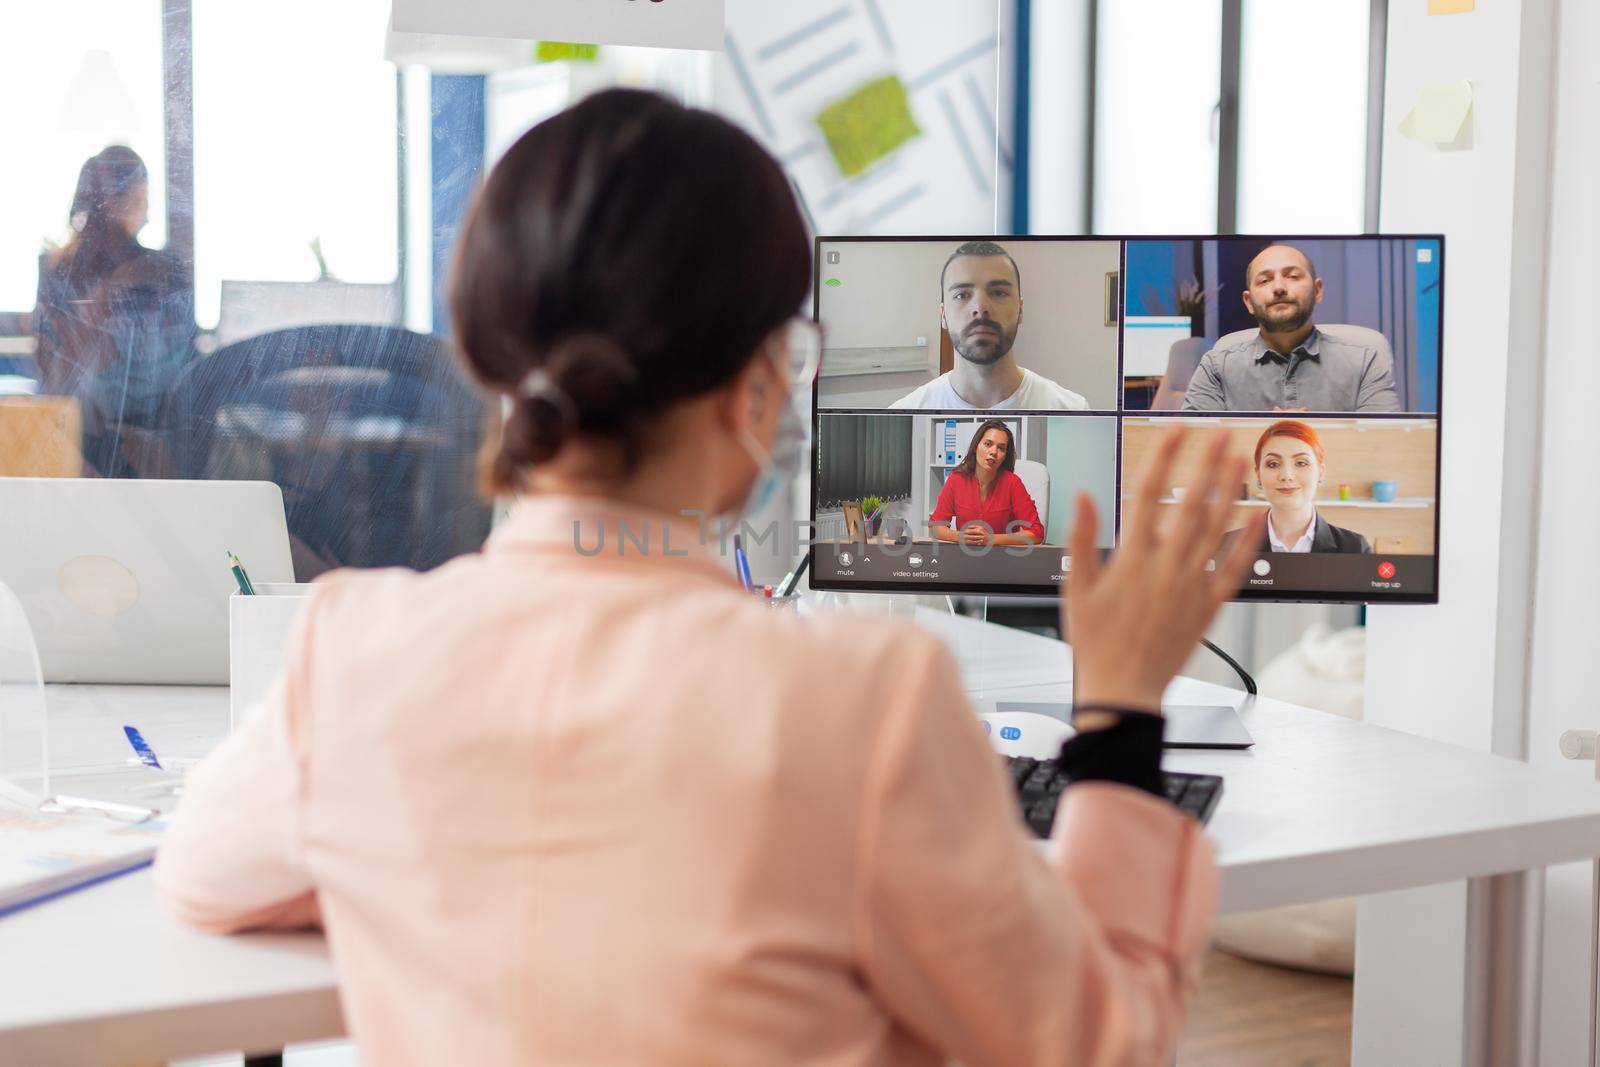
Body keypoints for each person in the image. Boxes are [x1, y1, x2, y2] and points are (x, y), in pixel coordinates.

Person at [154, 89, 1263, 1067]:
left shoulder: (351, 655)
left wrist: (422, 855)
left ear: (493, 363)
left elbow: (203, 877)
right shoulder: (867, 702)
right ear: (759, 387)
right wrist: (1117, 714)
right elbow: (1094, 1039)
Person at [32, 145, 195, 476]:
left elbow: (53, 374)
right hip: (116, 440)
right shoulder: (161, 270)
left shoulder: (56, 269)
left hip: (84, 441)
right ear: (138, 194)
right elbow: (180, 376)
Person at [1182, 243, 1400, 413]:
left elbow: (1386, 446)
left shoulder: (1365, 361)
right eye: (1265, 280)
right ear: (1248, 302)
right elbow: (1191, 447)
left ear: (1317, 290)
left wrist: (1304, 436)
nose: (1278, 288)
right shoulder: (1216, 366)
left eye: (1292, 276)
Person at [891, 240, 1090, 410]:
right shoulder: (904, 412)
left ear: (1021, 309)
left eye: (998, 293)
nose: (980, 307)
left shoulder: (1072, 409)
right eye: (962, 295)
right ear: (943, 315)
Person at [1219, 420, 1372, 555]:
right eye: (1273, 464)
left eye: (1301, 463)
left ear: (1321, 472)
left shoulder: (1354, 548)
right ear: (1258, 474)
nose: (1287, 475)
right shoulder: (1227, 546)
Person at [928, 419, 1044, 546]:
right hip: (966, 556)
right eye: (988, 444)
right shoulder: (956, 479)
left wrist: (991, 539)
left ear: (1005, 455)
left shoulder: (1012, 483)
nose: (993, 452)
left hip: (1003, 558)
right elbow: (935, 527)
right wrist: (960, 536)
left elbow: (1036, 533)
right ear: (975, 447)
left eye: (1001, 448)